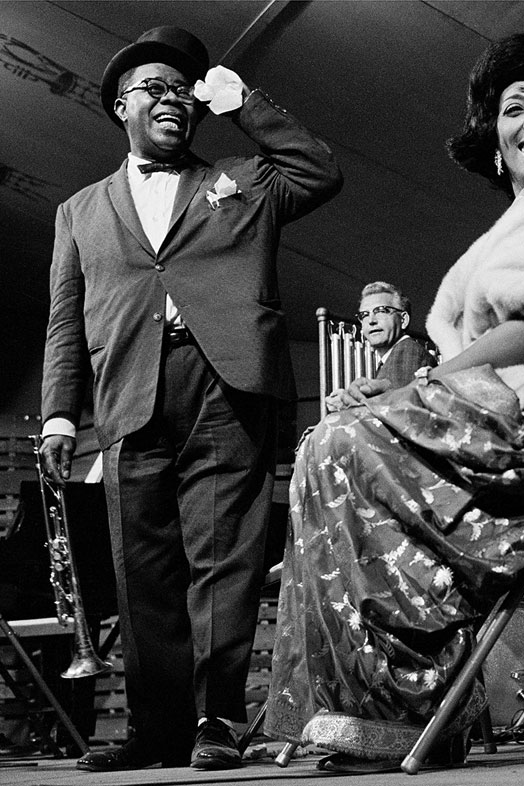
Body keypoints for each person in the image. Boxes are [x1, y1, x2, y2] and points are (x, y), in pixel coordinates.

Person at [264, 33, 524, 772]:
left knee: (343, 447)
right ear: (492, 136)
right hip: (488, 410)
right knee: (325, 442)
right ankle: (366, 705)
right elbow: (488, 354)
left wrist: (423, 384)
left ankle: (416, 701)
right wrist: (404, 390)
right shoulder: (508, 233)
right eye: (514, 108)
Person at [38, 26, 342, 772]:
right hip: (128, 389)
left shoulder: (241, 177)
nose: (172, 98)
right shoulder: (78, 211)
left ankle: (217, 720)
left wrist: (246, 106)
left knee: (222, 560)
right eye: (154, 87)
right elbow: (65, 320)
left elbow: (320, 170)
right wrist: (57, 414)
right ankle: (155, 729)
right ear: (120, 106)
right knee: (140, 567)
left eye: (183, 89)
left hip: (226, 381)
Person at [325, 281, 437, 411]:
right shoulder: (392, 357)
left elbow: (394, 412)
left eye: (381, 311)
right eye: (364, 315)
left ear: (403, 320)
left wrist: (348, 407)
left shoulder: (406, 350)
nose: (371, 320)